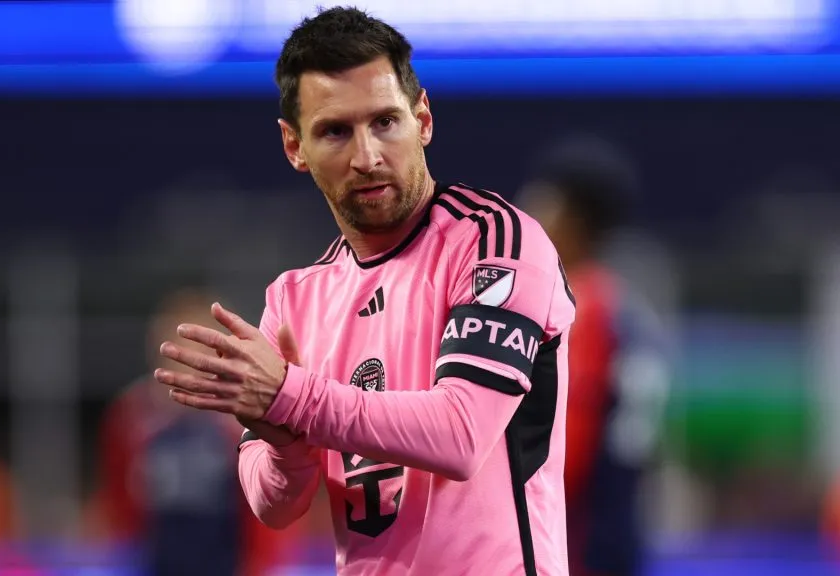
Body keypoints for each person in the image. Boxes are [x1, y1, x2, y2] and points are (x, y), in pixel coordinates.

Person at [153, 7, 575, 576]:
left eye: (385, 122)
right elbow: (274, 506)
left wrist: (292, 397)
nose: (367, 157)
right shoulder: (294, 299)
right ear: (294, 147)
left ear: (422, 119)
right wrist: (286, 447)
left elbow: (460, 435)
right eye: (335, 131)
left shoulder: (495, 240)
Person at [518, 135, 670, 576]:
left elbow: (563, 455)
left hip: (570, 550)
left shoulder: (575, 311)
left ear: (573, 217)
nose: (527, 212)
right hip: (617, 539)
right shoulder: (627, 312)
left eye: (542, 201)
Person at [91, 288, 301, 576]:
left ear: (220, 354)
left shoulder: (243, 418)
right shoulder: (132, 416)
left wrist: (259, 564)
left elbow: (266, 502)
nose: (189, 361)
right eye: (177, 347)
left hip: (227, 562)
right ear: (158, 349)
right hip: (157, 561)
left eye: (199, 351)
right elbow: (118, 501)